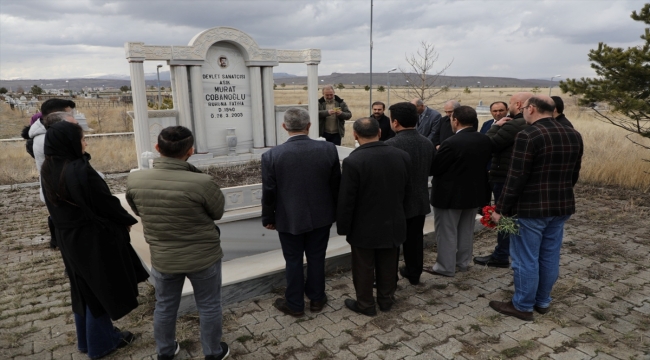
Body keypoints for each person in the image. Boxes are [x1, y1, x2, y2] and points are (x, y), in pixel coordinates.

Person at [40, 121, 148, 359]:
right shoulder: (81, 171)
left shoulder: (48, 167)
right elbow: (106, 203)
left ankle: (87, 340)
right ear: (70, 143)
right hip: (91, 239)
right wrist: (126, 219)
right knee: (100, 290)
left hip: (67, 237)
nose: (86, 143)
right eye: (82, 139)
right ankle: (102, 344)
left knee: (82, 288)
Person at [126, 126, 230, 360]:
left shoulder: (136, 179)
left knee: (164, 305)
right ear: (190, 150)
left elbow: (138, 210)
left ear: (157, 148)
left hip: (163, 256)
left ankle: (165, 350)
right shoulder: (202, 182)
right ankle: (213, 352)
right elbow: (217, 212)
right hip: (203, 256)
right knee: (209, 305)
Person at [489, 95, 583, 321]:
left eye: (524, 109)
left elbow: (516, 176)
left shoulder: (528, 134)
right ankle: (542, 300)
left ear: (531, 109)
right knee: (549, 255)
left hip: (531, 209)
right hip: (561, 206)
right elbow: (574, 174)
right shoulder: (573, 134)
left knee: (525, 258)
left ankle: (522, 305)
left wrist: (500, 209)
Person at [261, 107, 341, 317]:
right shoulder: (329, 149)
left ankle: (295, 304)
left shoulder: (272, 155)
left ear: (284, 127)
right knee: (317, 257)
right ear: (309, 126)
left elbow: (269, 191)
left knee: (293, 260)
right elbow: (336, 185)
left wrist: (268, 218)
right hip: (322, 215)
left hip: (289, 217)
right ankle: (316, 299)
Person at [337, 117, 411, 316]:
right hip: (394, 221)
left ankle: (366, 304)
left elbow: (346, 199)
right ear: (379, 133)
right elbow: (408, 190)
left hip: (364, 225)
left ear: (355, 135)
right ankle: (386, 300)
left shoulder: (353, 161)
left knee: (363, 267)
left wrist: (343, 227)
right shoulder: (402, 155)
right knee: (388, 263)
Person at [423, 106, 492, 277]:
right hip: (474, 194)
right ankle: (462, 263)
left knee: (446, 232)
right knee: (465, 231)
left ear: (456, 120)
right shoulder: (484, 140)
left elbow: (435, 168)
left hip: (449, 196)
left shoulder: (451, 143)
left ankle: (445, 267)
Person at [473, 92, 532, 269]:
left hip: (503, 176)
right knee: (511, 217)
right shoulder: (529, 123)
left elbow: (487, 144)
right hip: (514, 176)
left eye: (510, 104)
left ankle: (501, 255)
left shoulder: (515, 124)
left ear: (519, 105)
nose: (508, 108)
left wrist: (496, 126)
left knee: (504, 217)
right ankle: (506, 252)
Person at [385, 102, 433, 285]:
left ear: (395, 122)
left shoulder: (390, 145)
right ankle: (414, 273)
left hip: (397, 203)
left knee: (393, 243)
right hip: (420, 200)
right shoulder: (427, 143)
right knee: (415, 240)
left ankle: (389, 278)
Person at [29, 99, 77, 249]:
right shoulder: (48, 138)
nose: (73, 118)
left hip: (57, 186)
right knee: (67, 227)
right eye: (69, 113)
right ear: (56, 115)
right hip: (60, 188)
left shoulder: (48, 134)